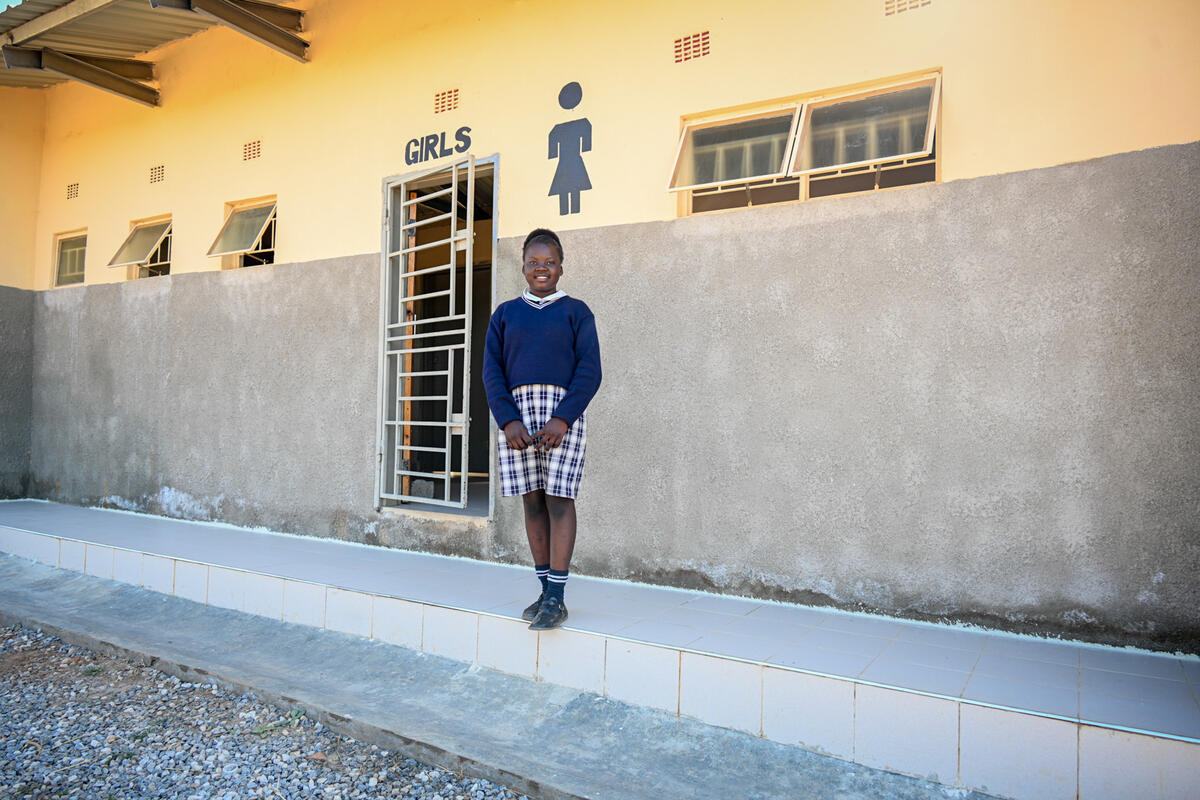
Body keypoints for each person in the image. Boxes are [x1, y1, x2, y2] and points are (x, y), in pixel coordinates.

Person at [483, 228, 601, 630]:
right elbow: (491, 371)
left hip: (560, 419)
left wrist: (562, 418)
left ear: (561, 267)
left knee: (559, 500)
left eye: (548, 262)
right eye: (533, 262)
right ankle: (544, 589)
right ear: (523, 268)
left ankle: (557, 596)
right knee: (532, 502)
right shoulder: (505, 314)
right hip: (517, 417)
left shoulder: (576, 312)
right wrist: (508, 419)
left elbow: (590, 371)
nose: (541, 269)